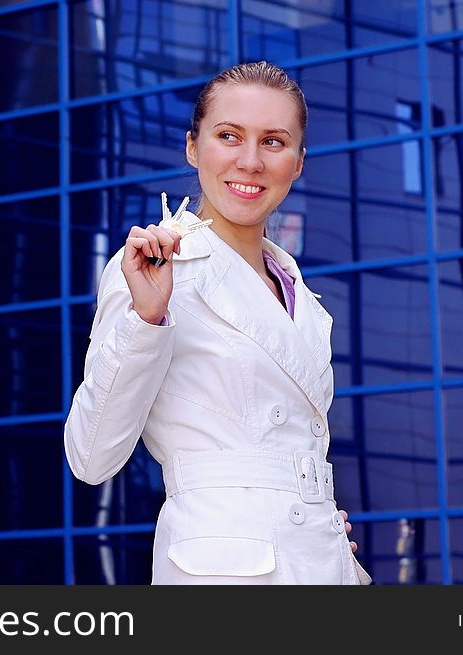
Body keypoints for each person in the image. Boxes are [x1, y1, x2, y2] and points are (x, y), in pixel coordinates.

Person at [64, 61, 372, 585]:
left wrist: (312, 511)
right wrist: (148, 318)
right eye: (228, 136)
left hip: (314, 558)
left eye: (274, 142)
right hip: (226, 569)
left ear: (297, 163)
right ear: (193, 147)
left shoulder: (301, 293)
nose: (249, 161)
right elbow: (90, 456)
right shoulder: (155, 264)